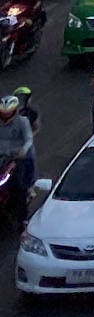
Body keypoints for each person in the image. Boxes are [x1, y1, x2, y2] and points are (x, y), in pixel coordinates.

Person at [0, 92, 33, 223]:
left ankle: (23, 220)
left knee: (18, 187)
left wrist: (23, 150)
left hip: (15, 158)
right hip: (1, 157)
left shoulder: (22, 122)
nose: (5, 117)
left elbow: (29, 139)